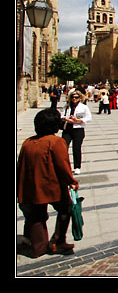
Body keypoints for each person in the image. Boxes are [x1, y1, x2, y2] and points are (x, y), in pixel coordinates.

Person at [17, 108, 79, 258]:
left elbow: (20, 165)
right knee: (66, 208)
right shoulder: (56, 141)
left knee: (36, 216)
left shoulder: (28, 142)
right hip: (51, 186)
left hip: (31, 187)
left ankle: (38, 247)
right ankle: (57, 241)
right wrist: (71, 181)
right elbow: (63, 166)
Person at [61, 91, 92, 175]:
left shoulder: (84, 107)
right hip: (67, 129)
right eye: (73, 97)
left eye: (76, 97)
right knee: (63, 147)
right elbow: (61, 115)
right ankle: (64, 166)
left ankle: (77, 167)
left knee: (76, 148)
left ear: (80, 98)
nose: (74, 99)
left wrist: (79, 120)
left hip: (78, 129)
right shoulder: (67, 106)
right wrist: (66, 119)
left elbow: (89, 118)